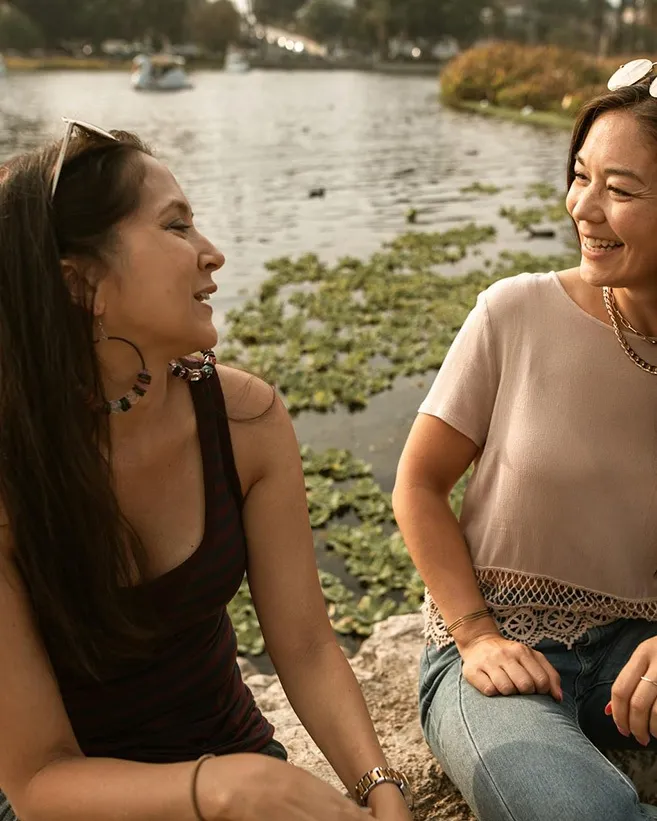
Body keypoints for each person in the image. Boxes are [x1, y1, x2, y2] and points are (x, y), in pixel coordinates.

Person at [0, 118, 414, 821]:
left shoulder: (244, 419)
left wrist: (379, 786)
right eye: (176, 227)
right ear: (80, 282)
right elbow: (39, 779)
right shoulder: (13, 474)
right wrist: (223, 789)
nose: (212, 253)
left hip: (235, 760)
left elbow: (308, 645)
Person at [393, 60, 657, 821]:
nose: (584, 207)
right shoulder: (513, 312)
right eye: (580, 177)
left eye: (620, 189)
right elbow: (416, 484)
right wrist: (474, 634)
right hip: (491, 651)